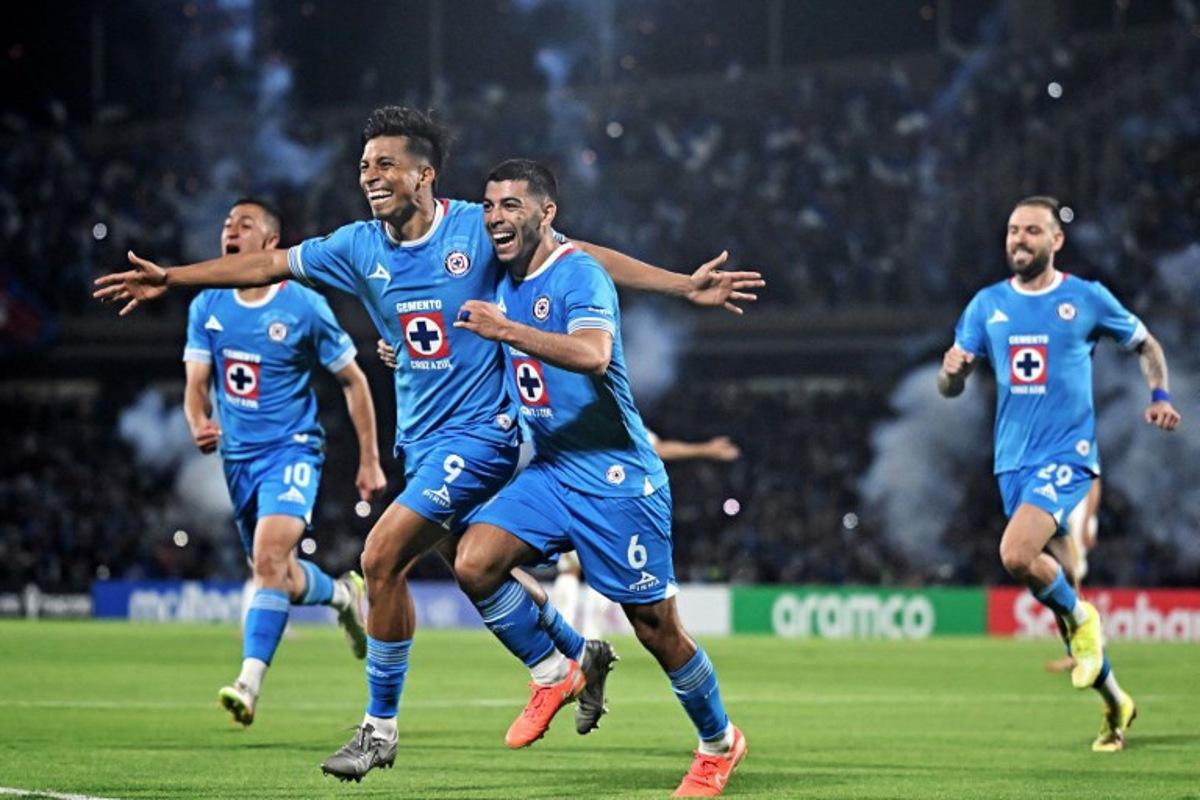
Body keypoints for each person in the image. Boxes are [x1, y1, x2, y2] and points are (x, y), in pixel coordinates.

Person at [94, 106, 762, 781]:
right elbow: (267, 264)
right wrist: (171, 280)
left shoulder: (481, 227)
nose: (371, 176)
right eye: (364, 166)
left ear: (425, 175)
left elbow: (577, 256)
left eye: (386, 163)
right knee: (473, 563)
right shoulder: (357, 246)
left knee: (385, 557)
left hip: (497, 437)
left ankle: (385, 728)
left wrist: (680, 285)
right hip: (441, 441)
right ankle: (566, 659)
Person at [451, 159, 746, 797]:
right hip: (553, 470)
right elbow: (595, 251)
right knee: (474, 561)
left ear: (545, 213)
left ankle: (719, 743)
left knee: (655, 629)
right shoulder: (510, 262)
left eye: (511, 205)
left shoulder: (576, 275)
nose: (496, 217)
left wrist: (507, 330)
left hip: (616, 478)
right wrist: (679, 285)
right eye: (489, 205)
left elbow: (593, 354)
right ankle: (557, 667)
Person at [938, 195, 1181, 753]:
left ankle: (1083, 615)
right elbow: (950, 386)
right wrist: (950, 375)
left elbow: (1146, 343)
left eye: (1031, 231)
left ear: (1056, 240)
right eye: (1012, 230)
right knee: (1061, 609)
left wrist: (1159, 392)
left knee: (1016, 554)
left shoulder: (1086, 298)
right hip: (1011, 463)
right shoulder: (986, 305)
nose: (1018, 239)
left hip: (1068, 456)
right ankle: (1115, 703)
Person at [182, 197, 387, 726]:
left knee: (269, 560)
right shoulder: (207, 305)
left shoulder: (302, 305)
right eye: (226, 223)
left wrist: (369, 460)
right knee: (278, 573)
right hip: (238, 460)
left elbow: (353, 380)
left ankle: (248, 685)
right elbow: (195, 386)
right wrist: (197, 421)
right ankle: (343, 594)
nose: (230, 229)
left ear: (270, 242)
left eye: (244, 224)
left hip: (293, 450)